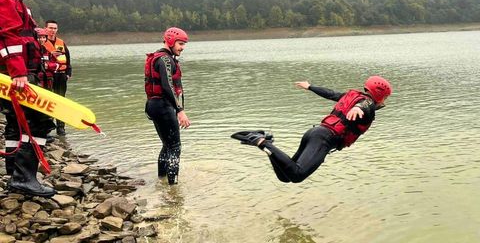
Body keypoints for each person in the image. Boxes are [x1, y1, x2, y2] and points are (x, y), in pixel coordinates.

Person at [231, 76, 392, 183]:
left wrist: (310, 86)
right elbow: (367, 105)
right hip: (325, 139)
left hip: (315, 133)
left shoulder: (352, 96)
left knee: (285, 177)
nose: (385, 101)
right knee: (297, 175)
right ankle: (261, 141)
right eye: (385, 97)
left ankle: (266, 142)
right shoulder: (366, 104)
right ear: (379, 94)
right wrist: (359, 109)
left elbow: (330, 93)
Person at [0, 0, 56, 197]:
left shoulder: (15, 0)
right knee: (39, 121)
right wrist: (19, 72)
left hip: (16, 73)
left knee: (16, 121)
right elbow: (7, 36)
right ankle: (25, 178)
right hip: (17, 75)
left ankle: (15, 175)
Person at [144, 27, 191, 185]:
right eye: (180, 44)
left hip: (153, 105)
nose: (182, 47)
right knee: (175, 147)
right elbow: (167, 86)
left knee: (167, 145)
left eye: (184, 44)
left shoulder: (160, 57)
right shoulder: (165, 60)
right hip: (163, 106)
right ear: (170, 41)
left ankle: (161, 180)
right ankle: (173, 187)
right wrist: (180, 110)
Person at [43, 19, 71, 136]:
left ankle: (61, 128)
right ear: (46, 29)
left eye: (55, 28)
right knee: (48, 101)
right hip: (48, 76)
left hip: (61, 75)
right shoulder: (42, 42)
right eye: (50, 28)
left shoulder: (61, 42)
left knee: (61, 101)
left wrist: (68, 72)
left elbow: (68, 57)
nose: (52, 30)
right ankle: (48, 127)